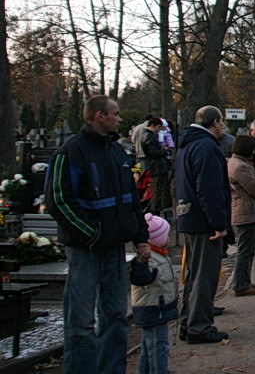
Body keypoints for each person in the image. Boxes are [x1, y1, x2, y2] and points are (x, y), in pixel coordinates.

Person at [45, 95, 151, 374]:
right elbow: (58, 200)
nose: (120, 118)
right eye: (115, 114)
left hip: (114, 248)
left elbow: (131, 199)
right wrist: (92, 233)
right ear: (99, 116)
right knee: (80, 322)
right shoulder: (71, 152)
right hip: (86, 250)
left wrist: (140, 236)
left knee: (116, 316)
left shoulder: (117, 152)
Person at [174, 105, 231, 344]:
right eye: (222, 123)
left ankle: (189, 322)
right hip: (203, 221)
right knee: (204, 277)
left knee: (194, 274)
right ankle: (199, 327)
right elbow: (208, 189)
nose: (223, 127)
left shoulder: (187, 145)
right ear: (215, 121)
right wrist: (218, 223)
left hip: (189, 215)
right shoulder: (206, 147)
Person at [129, 213, 177, 374]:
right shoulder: (150, 259)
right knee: (158, 346)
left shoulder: (161, 255)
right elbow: (140, 278)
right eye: (167, 235)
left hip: (157, 308)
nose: (169, 239)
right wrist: (142, 263)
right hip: (153, 309)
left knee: (148, 345)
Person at [228, 135, 255, 296]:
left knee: (248, 249)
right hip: (246, 211)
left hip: (246, 210)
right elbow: (254, 188)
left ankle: (244, 280)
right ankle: (240, 284)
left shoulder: (237, 163)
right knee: (245, 250)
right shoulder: (241, 167)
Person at [142, 117, 171, 215]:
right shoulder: (149, 136)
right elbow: (152, 152)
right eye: (158, 127)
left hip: (155, 166)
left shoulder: (147, 135)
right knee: (158, 190)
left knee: (158, 190)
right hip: (157, 166)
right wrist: (164, 151)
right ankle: (155, 210)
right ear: (153, 126)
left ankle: (156, 209)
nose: (159, 130)